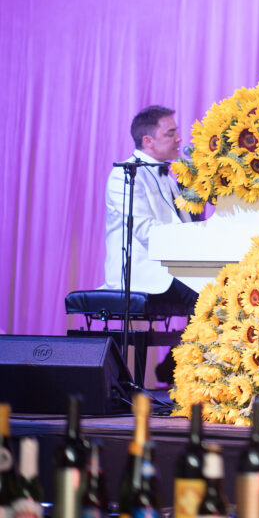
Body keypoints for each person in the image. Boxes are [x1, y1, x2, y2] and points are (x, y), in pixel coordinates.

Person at [104, 105, 200, 381]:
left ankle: (178, 359)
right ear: (148, 141)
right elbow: (145, 230)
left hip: (171, 265)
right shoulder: (123, 176)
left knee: (223, 285)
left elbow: (181, 227)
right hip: (144, 270)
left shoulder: (166, 177)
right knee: (207, 294)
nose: (180, 139)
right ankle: (180, 362)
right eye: (171, 133)